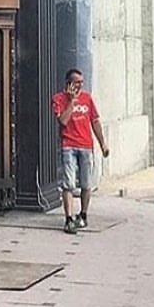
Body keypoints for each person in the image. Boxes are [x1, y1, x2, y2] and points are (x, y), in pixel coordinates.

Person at [52, 68, 110, 234]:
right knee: (68, 183)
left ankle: (83, 214)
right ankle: (69, 218)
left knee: (86, 183)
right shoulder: (59, 99)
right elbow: (62, 121)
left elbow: (95, 121)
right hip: (68, 144)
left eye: (81, 83)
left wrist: (102, 143)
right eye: (77, 83)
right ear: (68, 84)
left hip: (86, 145)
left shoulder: (87, 99)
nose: (80, 86)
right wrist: (72, 102)